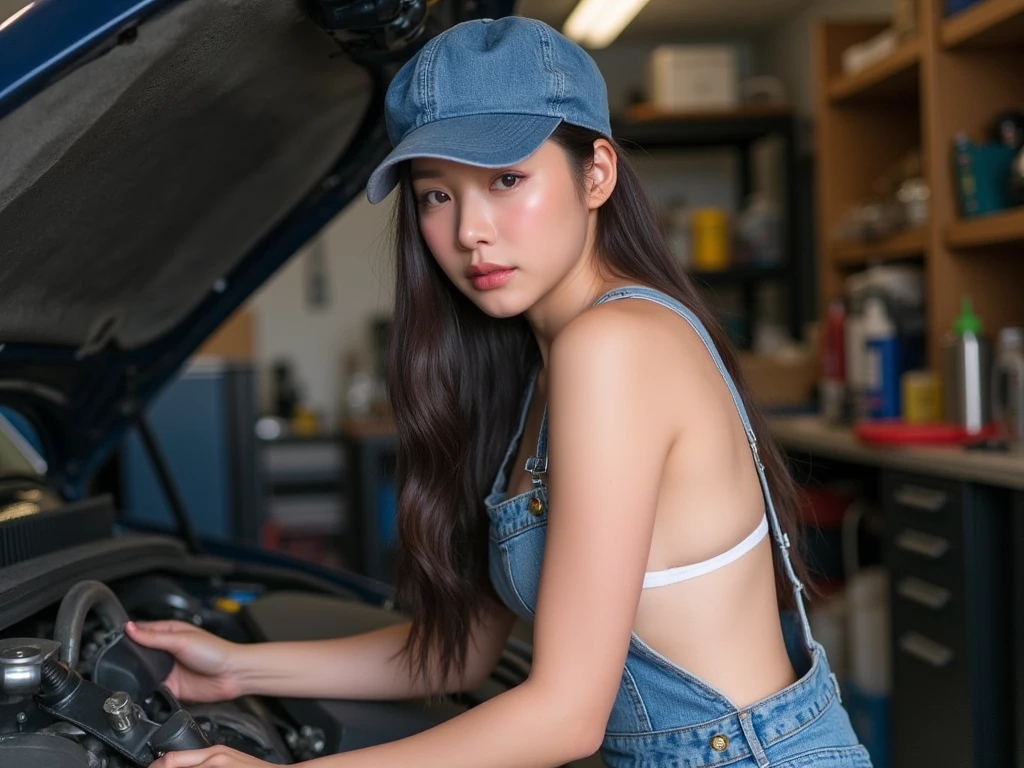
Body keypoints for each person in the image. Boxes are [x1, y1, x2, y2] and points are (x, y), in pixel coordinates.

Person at [132, 16, 872, 768]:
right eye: (435, 196)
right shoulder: (537, 375)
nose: (469, 232)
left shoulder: (615, 348)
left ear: (597, 174)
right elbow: (458, 655)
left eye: (506, 180)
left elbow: (565, 718)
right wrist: (236, 666)